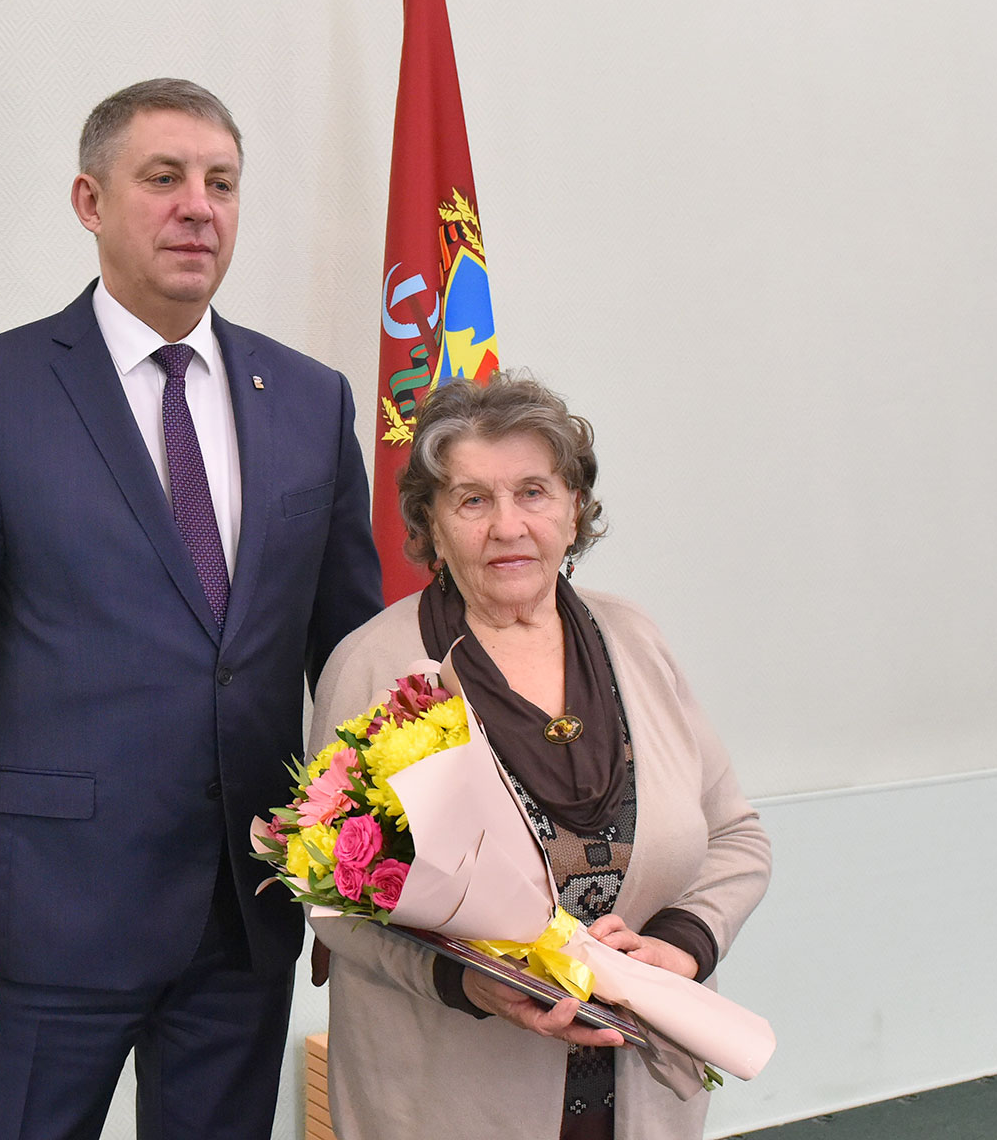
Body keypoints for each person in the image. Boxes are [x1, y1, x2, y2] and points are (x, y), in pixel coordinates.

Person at [0, 78, 383, 1140]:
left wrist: (362, 880)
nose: (198, 207)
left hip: (245, 919)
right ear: (90, 201)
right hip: (40, 928)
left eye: (221, 183)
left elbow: (352, 663)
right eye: (164, 178)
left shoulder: (310, 400)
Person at [307, 376, 770, 1140]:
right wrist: (468, 983)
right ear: (430, 523)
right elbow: (336, 904)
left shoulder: (636, 639)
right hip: (448, 1097)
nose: (508, 526)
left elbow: (737, 838)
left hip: (641, 1094)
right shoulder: (374, 666)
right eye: (473, 500)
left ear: (573, 509)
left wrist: (682, 943)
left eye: (533, 492)